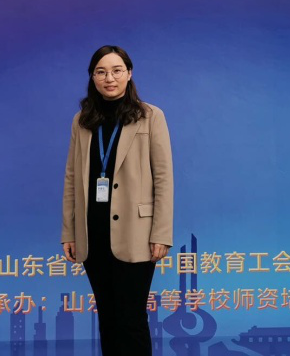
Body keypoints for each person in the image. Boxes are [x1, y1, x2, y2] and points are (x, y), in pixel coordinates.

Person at [62, 45, 173, 355]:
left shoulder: (150, 116)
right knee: (108, 318)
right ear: (92, 77)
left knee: (131, 318)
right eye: (101, 72)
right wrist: (69, 231)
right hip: (93, 232)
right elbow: (71, 177)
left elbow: (164, 178)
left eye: (116, 71)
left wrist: (161, 233)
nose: (109, 78)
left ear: (129, 74)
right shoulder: (82, 120)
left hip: (136, 232)